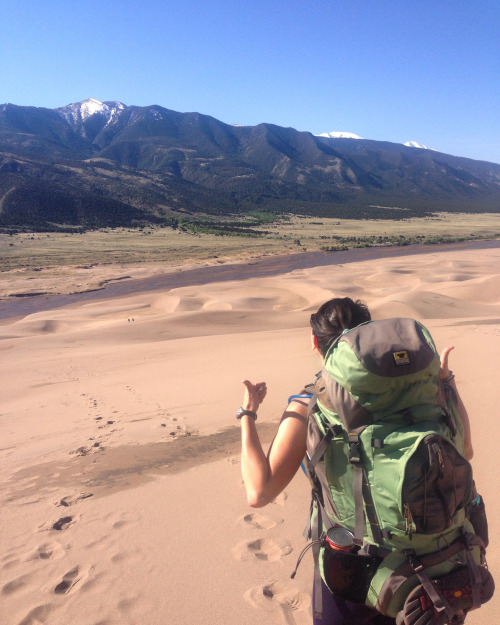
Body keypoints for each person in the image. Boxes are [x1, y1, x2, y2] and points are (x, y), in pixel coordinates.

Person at [238, 297, 473, 625]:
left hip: (350, 568)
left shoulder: (310, 406)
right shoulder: (424, 394)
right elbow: (466, 450)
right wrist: (445, 384)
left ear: (314, 341)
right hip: (430, 562)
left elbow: (259, 492)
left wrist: (247, 414)